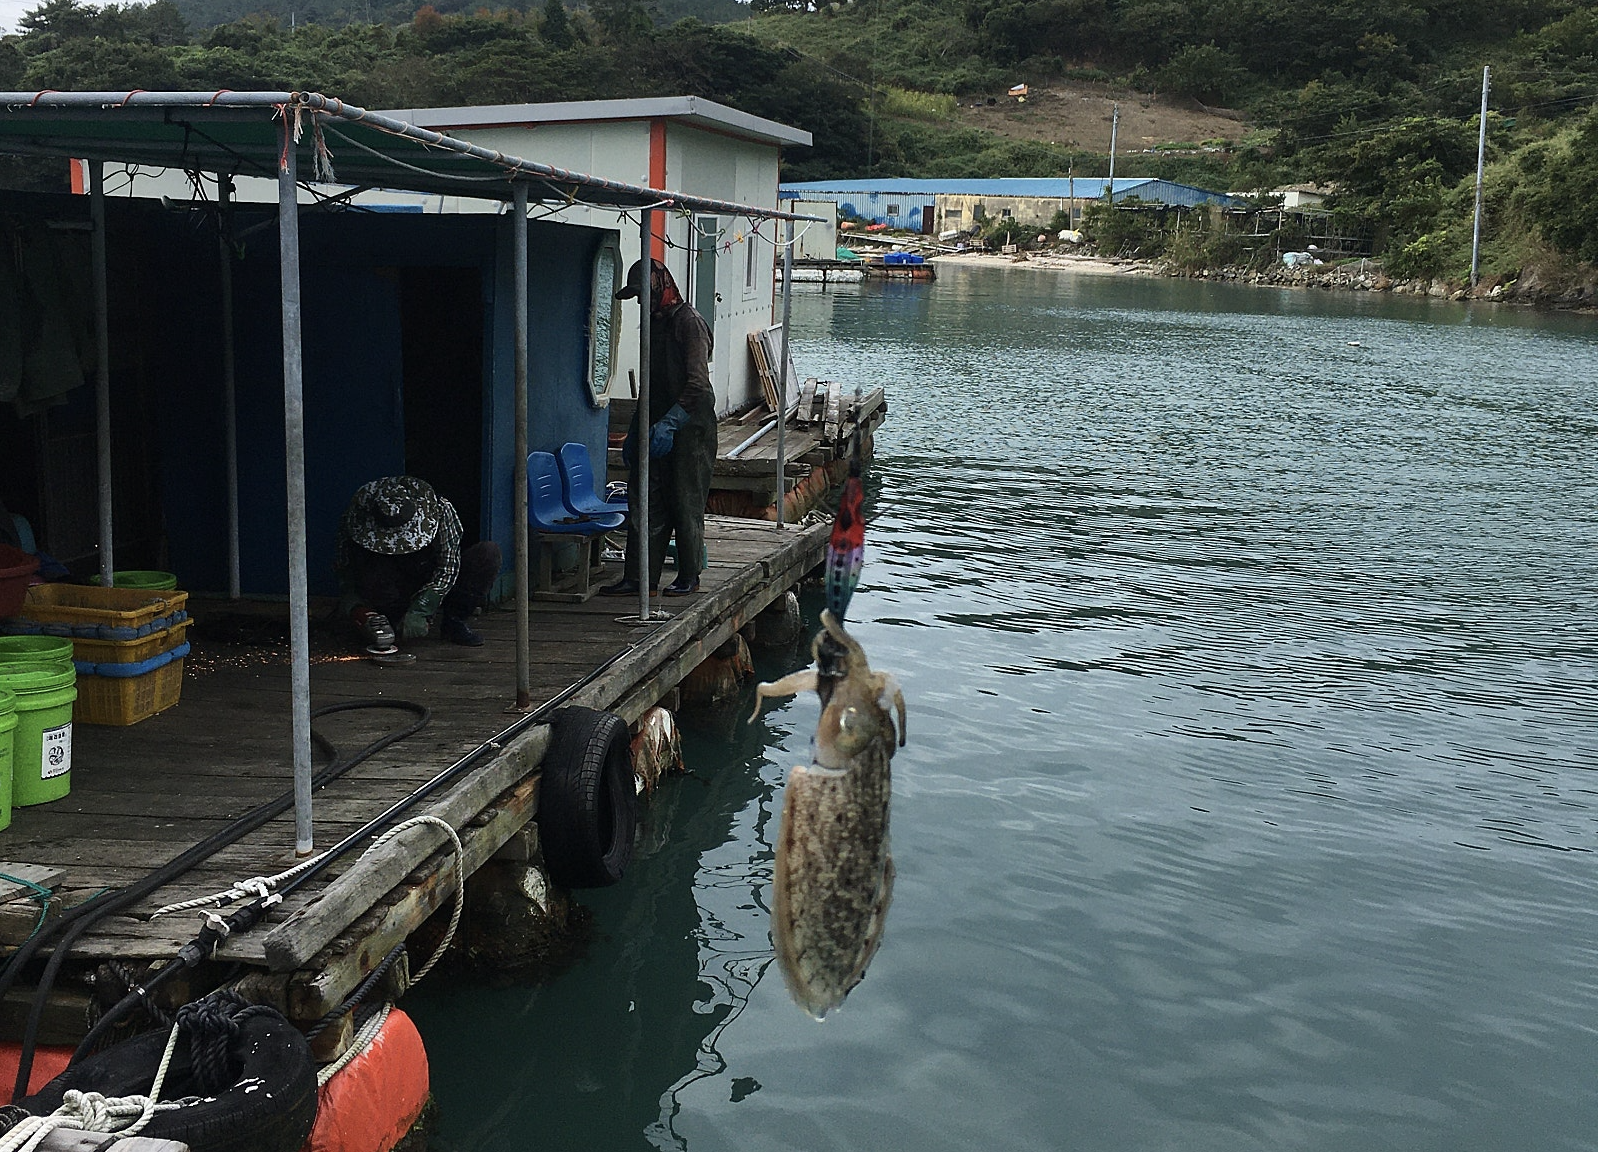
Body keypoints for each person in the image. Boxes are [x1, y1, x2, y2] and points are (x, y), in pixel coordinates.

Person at [602, 258, 716, 598]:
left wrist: (670, 423)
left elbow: (699, 386)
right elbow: (650, 385)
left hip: (692, 428)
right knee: (644, 499)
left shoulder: (690, 323)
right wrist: (636, 429)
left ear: (660, 287)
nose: (642, 302)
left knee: (685, 500)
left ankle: (689, 574)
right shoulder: (654, 324)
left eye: (644, 295)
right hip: (655, 424)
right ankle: (639, 578)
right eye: (638, 297)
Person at [334, 476, 500, 648]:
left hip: (429, 570)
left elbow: (448, 566)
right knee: (373, 574)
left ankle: (454, 622)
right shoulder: (357, 515)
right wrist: (354, 605)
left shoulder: (440, 509)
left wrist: (423, 607)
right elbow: (344, 567)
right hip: (391, 579)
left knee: (487, 554)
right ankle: (390, 621)